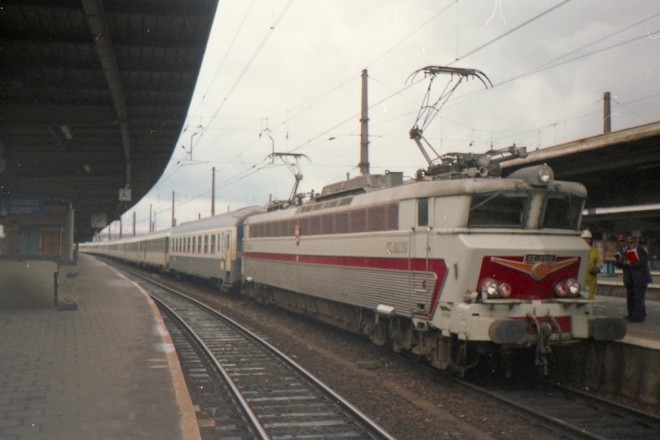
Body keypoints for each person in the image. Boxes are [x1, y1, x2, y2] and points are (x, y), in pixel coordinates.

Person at [615, 235, 652, 323]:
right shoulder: (627, 252)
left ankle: (638, 316)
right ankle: (631, 314)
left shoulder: (640, 251)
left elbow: (640, 264)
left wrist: (629, 263)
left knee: (638, 298)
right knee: (631, 298)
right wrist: (620, 261)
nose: (631, 245)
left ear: (637, 242)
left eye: (632, 243)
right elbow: (621, 264)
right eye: (629, 243)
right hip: (630, 280)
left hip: (639, 280)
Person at [582, 230, 602, 299]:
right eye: (585, 238)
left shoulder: (594, 251)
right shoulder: (578, 250)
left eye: (589, 239)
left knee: (591, 297)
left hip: (591, 278)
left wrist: (597, 268)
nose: (587, 240)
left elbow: (599, 261)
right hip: (581, 278)